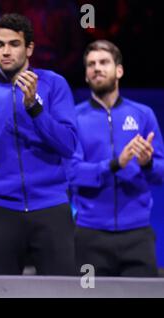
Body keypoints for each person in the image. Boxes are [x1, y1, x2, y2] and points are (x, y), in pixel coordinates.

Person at [0, 13, 77, 275]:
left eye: (14, 44)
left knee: (62, 294)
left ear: (29, 48)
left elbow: (68, 145)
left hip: (51, 207)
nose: (6, 51)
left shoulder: (54, 85)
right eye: (0, 45)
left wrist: (34, 107)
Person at [68, 40, 164, 277]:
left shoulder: (143, 114)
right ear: (86, 75)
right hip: (90, 234)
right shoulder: (75, 118)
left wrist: (147, 163)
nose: (97, 68)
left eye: (103, 62)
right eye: (91, 64)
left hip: (137, 233)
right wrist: (115, 164)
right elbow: (71, 173)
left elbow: (161, 172)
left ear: (118, 71)